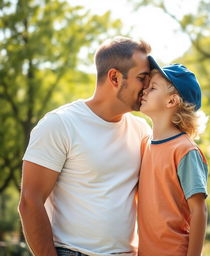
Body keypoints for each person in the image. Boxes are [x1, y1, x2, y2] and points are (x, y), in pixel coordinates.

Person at [18, 36, 152, 256]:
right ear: (115, 77)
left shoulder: (142, 130)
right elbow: (30, 202)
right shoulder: (59, 124)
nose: (148, 87)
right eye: (142, 78)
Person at [138, 56, 208, 256]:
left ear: (171, 101)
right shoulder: (145, 144)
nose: (144, 90)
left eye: (152, 88)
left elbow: (199, 211)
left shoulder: (185, 150)